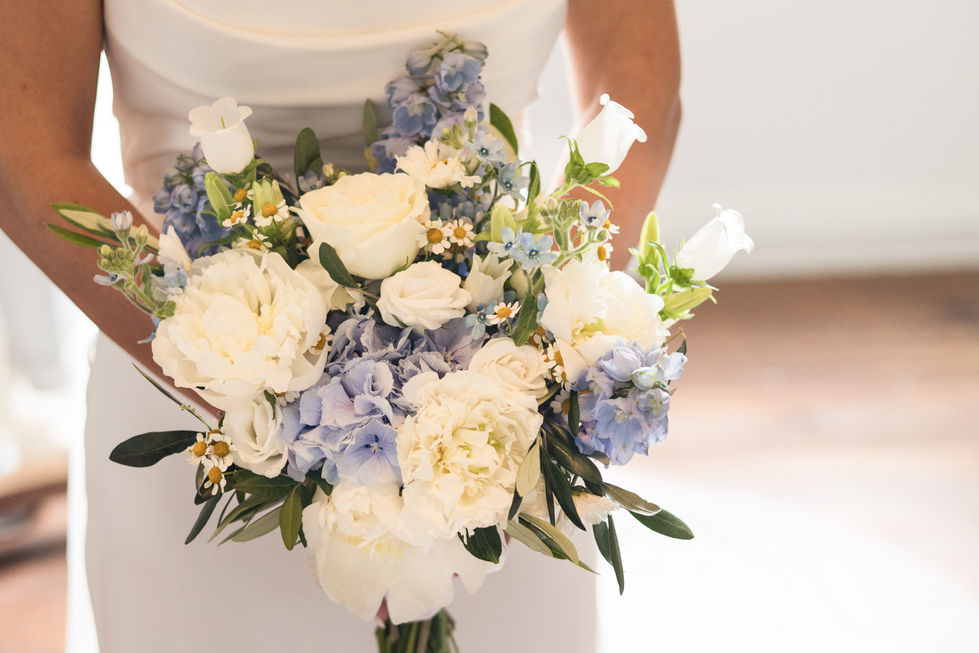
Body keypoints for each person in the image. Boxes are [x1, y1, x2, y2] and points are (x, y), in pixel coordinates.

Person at [0, 1, 681, 650]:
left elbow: (638, 91)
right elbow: (24, 154)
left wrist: (527, 342)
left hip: (495, 437)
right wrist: (266, 405)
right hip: (195, 408)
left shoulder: (500, 402)